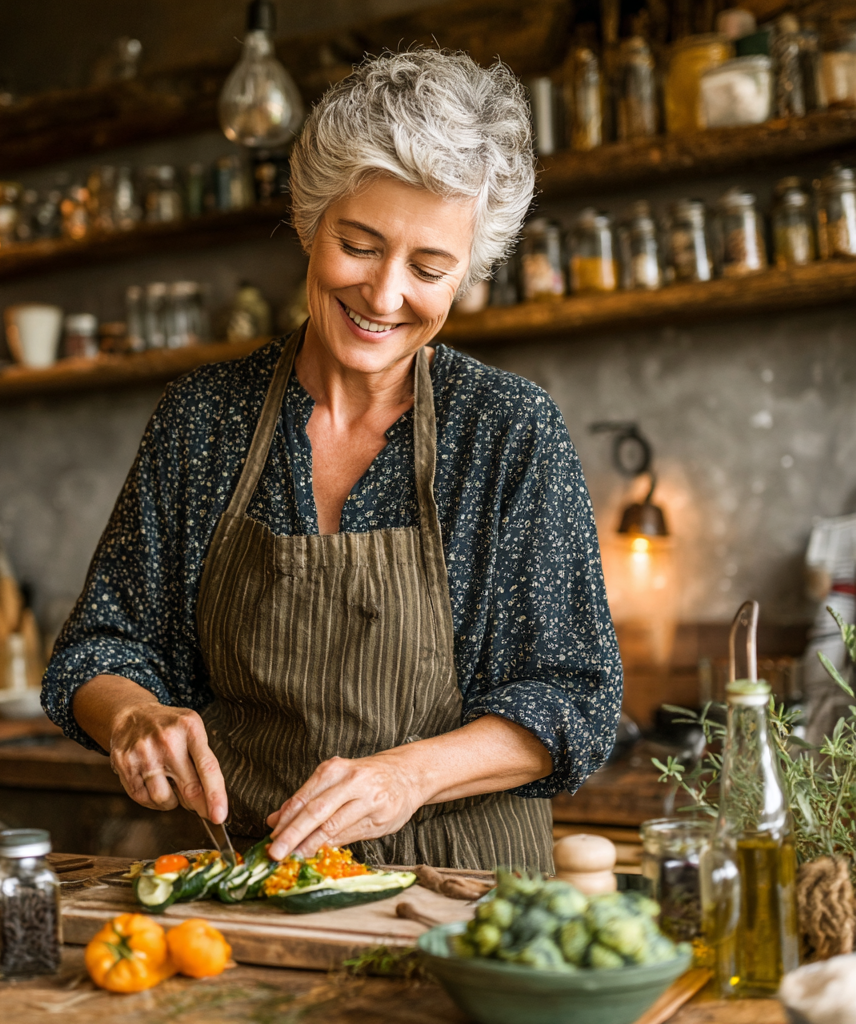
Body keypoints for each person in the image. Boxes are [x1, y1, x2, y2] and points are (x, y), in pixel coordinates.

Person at [43, 49, 622, 871]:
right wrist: (133, 716)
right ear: (312, 221)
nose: (384, 297)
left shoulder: (508, 431)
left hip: (461, 896)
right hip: (243, 883)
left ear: (468, 273)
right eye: (359, 244)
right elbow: (101, 650)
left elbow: (573, 702)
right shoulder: (203, 420)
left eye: (428, 269)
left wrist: (404, 777)